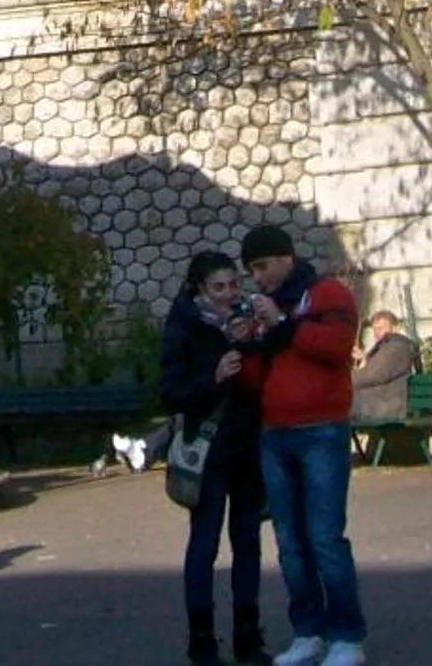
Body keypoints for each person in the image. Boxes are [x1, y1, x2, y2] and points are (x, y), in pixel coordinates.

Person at [233, 222, 366, 666]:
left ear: (286, 258)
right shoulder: (268, 311)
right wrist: (247, 347)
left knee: (325, 536)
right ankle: (308, 631)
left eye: (262, 266)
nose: (257, 278)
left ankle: (347, 636)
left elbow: (336, 346)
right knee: (290, 541)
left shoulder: (327, 294)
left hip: (321, 428)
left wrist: (284, 323)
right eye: (251, 270)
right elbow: (257, 380)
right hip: (275, 432)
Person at [160, 251, 269, 666]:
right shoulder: (184, 326)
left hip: (246, 445)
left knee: (248, 542)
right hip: (207, 453)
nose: (229, 295)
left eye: (234, 285)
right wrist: (213, 376)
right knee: (204, 545)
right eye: (219, 288)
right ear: (199, 289)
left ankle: (248, 636)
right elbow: (170, 390)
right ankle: (202, 641)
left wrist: (254, 340)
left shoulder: (246, 321)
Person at [349, 311, 416, 427]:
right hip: (377, 403)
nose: (377, 333)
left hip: (384, 407)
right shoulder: (386, 347)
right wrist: (364, 359)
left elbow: (374, 374)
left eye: (381, 328)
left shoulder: (396, 347)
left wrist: (342, 380)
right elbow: (377, 370)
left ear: (394, 328)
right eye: (375, 329)